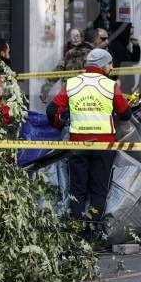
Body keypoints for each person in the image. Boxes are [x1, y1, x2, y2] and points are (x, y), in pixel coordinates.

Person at [47, 47, 130, 240]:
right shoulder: (110, 86)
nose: (112, 67)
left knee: (78, 190)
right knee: (98, 191)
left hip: (78, 145)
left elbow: (52, 111)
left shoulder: (72, 84)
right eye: (110, 63)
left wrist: (61, 123)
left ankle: (76, 236)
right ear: (102, 65)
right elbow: (126, 114)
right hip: (104, 146)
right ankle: (91, 235)